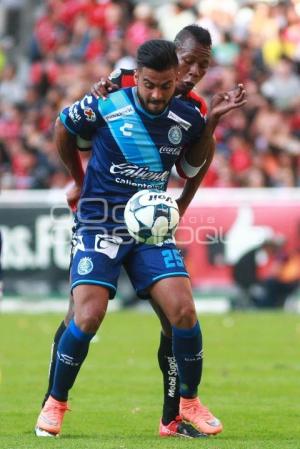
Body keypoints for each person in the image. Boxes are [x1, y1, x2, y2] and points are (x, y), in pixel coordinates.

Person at [39, 26, 246, 439]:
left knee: (183, 314)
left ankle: (185, 408)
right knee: (87, 313)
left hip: (150, 228)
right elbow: (65, 127)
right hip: (100, 220)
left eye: (200, 66)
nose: (189, 74)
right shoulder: (112, 93)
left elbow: (191, 167)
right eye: (187, 62)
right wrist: (77, 181)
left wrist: (210, 128)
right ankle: (55, 402)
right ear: (144, 73)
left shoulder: (191, 113)